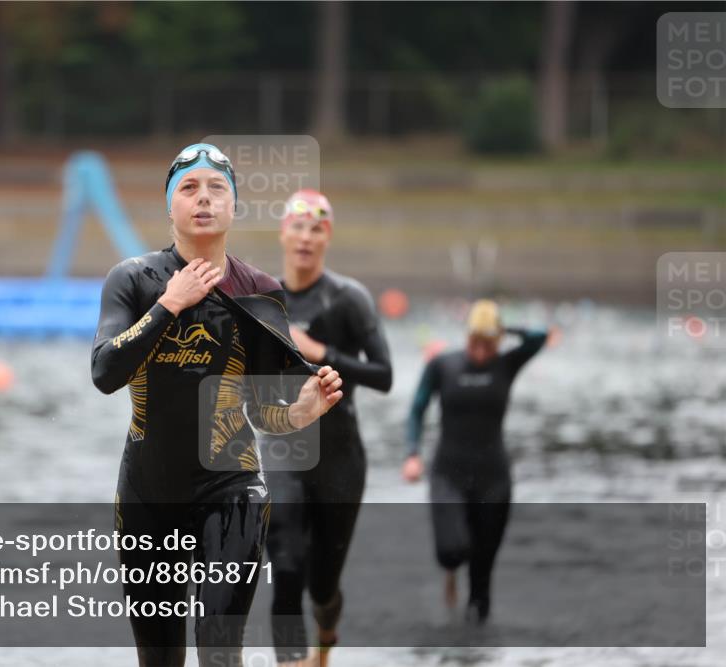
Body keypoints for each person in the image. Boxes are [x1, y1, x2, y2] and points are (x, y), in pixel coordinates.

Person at [91, 143, 344, 667]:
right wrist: (170, 304)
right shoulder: (133, 280)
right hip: (148, 495)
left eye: (216, 189)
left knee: (220, 654)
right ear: (170, 206)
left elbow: (266, 412)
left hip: (232, 491)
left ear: (234, 206)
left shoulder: (260, 291)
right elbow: (104, 372)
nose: (203, 198)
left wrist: (302, 412)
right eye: (189, 188)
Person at [262, 189, 393, 667]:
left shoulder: (348, 298)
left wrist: (321, 352)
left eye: (315, 229)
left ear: (327, 237)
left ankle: (326, 635)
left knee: (322, 585)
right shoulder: (264, 301)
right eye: (297, 227)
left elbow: (384, 375)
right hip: (282, 451)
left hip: (339, 458)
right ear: (283, 233)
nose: (305, 238)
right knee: (286, 567)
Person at [401, 299, 548, 624]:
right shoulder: (443, 365)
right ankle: (451, 573)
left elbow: (540, 336)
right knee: (451, 551)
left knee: (482, 578)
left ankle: (477, 642)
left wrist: (503, 327)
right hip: (448, 474)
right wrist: (412, 453)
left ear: (498, 341)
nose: (481, 350)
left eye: (488, 343)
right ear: (466, 336)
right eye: (475, 341)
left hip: (493, 478)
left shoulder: (507, 364)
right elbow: (417, 409)